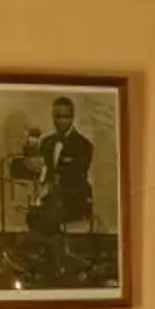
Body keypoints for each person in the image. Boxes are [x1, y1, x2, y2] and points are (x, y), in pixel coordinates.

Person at [27, 97, 96, 232]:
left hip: (73, 199)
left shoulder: (84, 145)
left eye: (66, 116)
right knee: (33, 216)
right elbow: (42, 171)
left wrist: (50, 188)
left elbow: (76, 177)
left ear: (72, 117)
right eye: (57, 117)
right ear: (53, 117)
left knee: (46, 218)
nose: (61, 121)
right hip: (49, 201)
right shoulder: (47, 142)